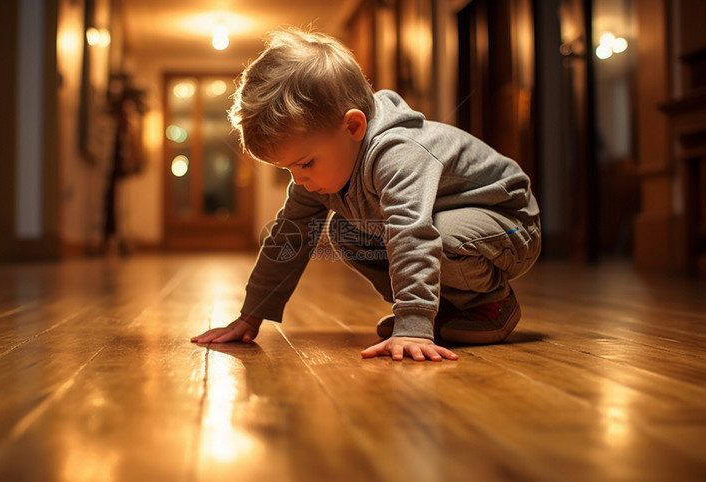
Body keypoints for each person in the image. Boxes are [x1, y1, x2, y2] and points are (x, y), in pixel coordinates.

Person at [191, 28, 541, 362]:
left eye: (306, 163)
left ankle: (492, 301)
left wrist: (413, 326)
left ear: (353, 127)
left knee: (432, 237)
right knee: (348, 235)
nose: (299, 178)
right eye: (289, 169)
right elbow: (289, 235)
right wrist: (250, 317)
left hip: (509, 226)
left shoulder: (397, 153)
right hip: (449, 225)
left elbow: (412, 233)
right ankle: (446, 308)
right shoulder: (322, 171)